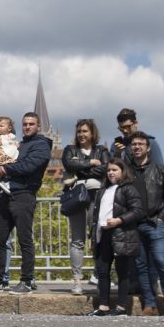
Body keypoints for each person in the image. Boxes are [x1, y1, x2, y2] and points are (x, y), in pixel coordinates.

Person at [0, 112, 51, 295]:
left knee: (24, 239)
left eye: (31, 124)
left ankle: (27, 281)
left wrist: (6, 168)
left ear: (38, 126)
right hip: (7, 193)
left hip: (24, 194)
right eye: (25, 124)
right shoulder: (21, 143)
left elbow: (29, 166)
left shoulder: (41, 145)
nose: (27, 127)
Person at [127, 131, 164, 315]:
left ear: (148, 148)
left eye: (141, 144)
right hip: (135, 225)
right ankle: (149, 304)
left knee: (160, 262)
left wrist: (162, 217)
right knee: (141, 266)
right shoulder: (127, 171)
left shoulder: (160, 170)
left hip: (155, 222)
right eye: (134, 144)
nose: (137, 147)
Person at [87, 159, 142, 316]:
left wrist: (119, 220)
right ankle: (103, 305)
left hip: (121, 234)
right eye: (109, 170)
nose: (111, 172)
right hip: (102, 234)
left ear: (123, 171)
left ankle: (121, 306)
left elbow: (138, 210)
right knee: (102, 271)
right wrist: (92, 236)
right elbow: (96, 215)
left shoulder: (128, 189)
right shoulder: (103, 190)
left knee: (122, 272)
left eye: (115, 169)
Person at [61, 119, 109, 295]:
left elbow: (105, 169)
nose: (81, 134)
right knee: (78, 239)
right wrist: (91, 163)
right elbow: (69, 164)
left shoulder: (102, 150)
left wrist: (81, 167)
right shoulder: (70, 149)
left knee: (98, 237)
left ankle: (100, 276)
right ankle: (77, 280)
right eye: (79, 131)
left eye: (85, 131)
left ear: (92, 133)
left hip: (97, 197)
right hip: (76, 198)